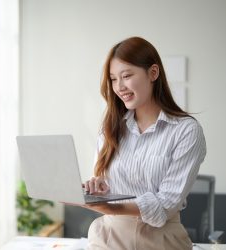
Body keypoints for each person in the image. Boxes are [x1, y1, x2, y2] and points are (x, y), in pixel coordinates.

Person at [81, 37, 207, 250]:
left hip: (161, 241)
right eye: (113, 79)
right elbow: (105, 182)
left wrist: (113, 208)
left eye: (127, 76)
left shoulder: (186, 130)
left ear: (153, 73)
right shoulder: (110, 128)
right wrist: (98, 188)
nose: (119, 87)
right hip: (108, 239)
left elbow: (165, 205)